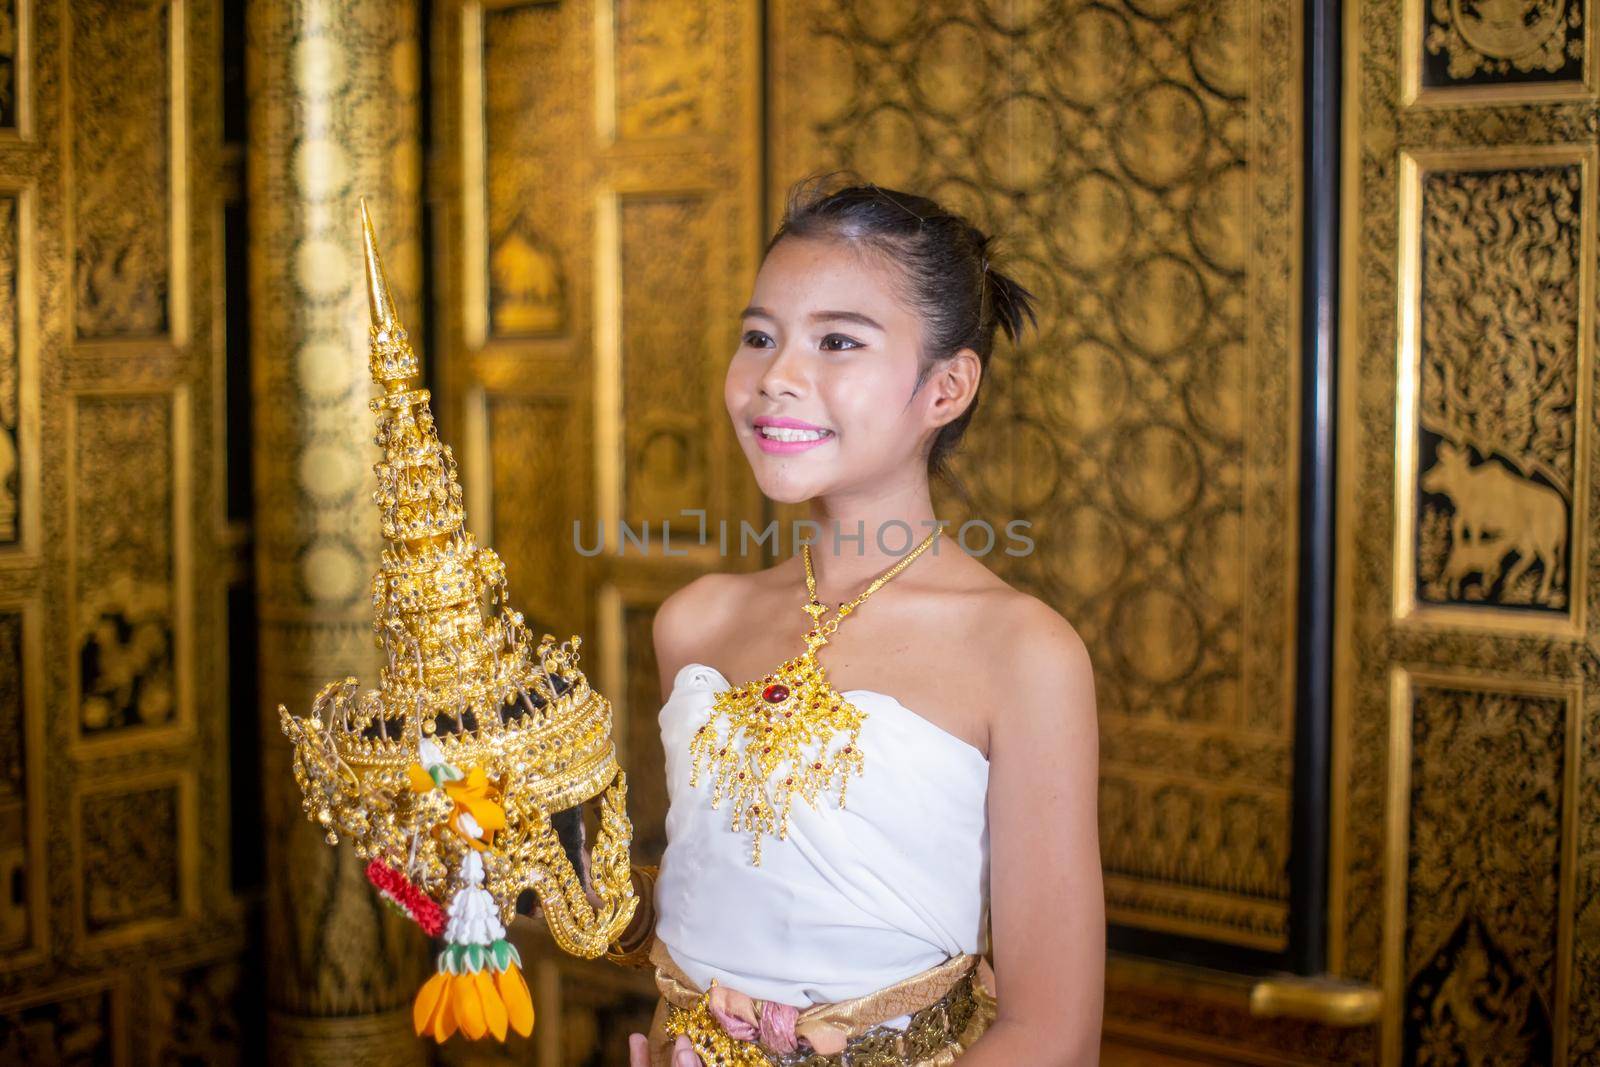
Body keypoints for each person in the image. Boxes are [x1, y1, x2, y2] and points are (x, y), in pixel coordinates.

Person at [608, 175, 1104, 1065]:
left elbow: (1052, 1031)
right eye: (759, 336)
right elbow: (719, 893)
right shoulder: (696, 624)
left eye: (838, 341)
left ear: (945, 388)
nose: (775, 378)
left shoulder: (1022, 652)